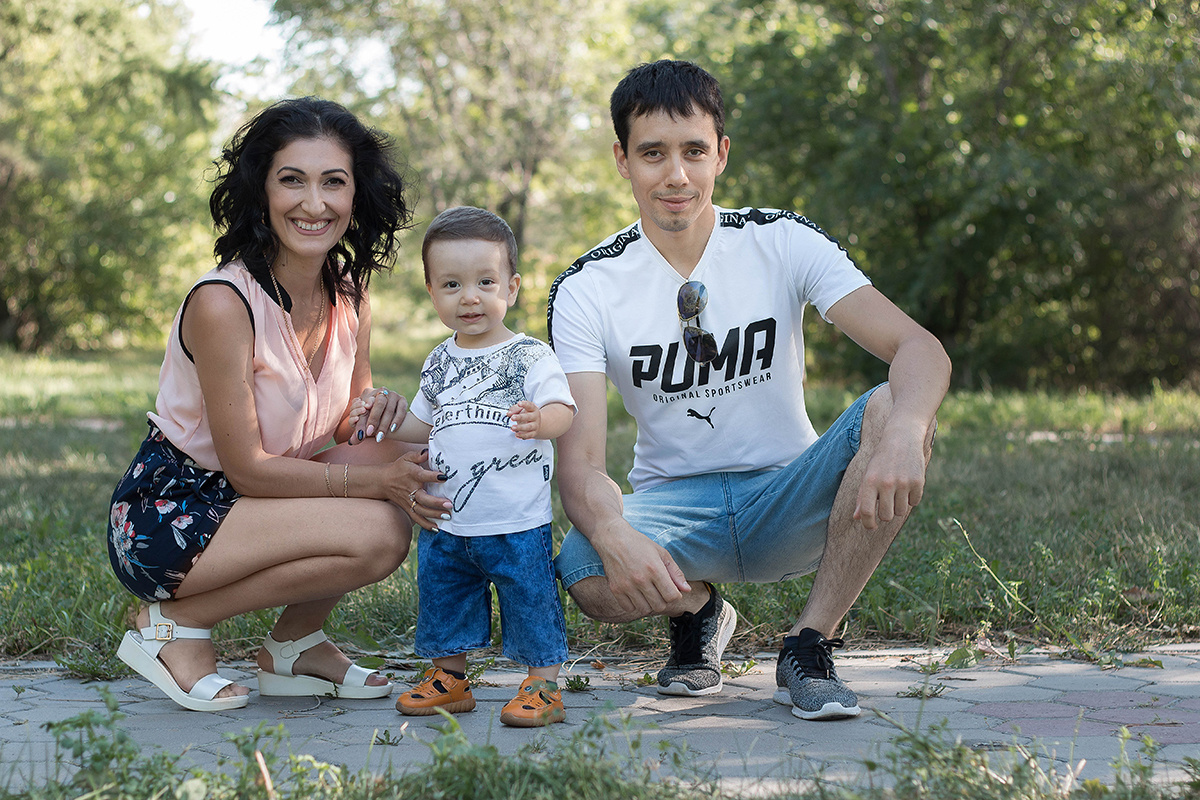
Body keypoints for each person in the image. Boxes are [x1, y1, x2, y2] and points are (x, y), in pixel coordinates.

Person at [547, 60, 951, 720]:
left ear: (721, 155)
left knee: (893, 405)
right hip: (679, 509)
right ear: (622, 160)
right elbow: (583, 464)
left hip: (788, 493)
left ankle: (809, 644)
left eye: (693, 151)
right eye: (652, 153)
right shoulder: (589, 287)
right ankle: (699, 612)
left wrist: (906, 431)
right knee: (585, 565)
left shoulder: (781, 240)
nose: (675, 175)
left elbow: (919, 349)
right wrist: (612, 531)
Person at [107, 97, 443, 712]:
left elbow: (344, 420)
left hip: (262, 502)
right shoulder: (223, 303)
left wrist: (377, 414)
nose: (314, 204)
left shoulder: (349, 295)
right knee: (379, 530)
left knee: (425, 455)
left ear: (355, 195)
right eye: (292, 180)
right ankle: (169, 630)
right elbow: (248, 468)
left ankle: (293, 647)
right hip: (178, 510)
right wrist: (378, 484)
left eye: (332, 183)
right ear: (261, 189)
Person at [378, 207, 575, 727]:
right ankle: (450, 678)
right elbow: (424, 424)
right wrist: (385, 419)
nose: (470, 297)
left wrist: (542, 419)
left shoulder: (530, 356)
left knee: (529, 598)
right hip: (448, 516)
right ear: (432, 293)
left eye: (485, 282)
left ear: (510, 287)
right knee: (446, 596)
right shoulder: (440, 359)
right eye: (452, 284)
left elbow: (564, 408)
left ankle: (542, 685)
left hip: (514, 518)